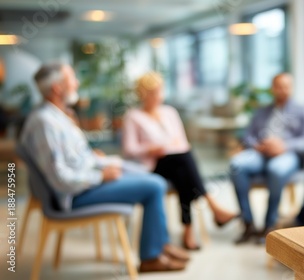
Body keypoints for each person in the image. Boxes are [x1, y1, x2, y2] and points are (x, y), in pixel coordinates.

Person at [20, 63, 189, 273]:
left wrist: (99, 160)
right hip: (76, 194)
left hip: (86, 181)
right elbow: (61, 179)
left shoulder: (58, 116)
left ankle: (160, 244)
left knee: (143, 174)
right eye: (72, 78)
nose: (77, 83)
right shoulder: (45, 123)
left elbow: (72, 159)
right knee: (154, 185)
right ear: (57, 88)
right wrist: (100, 176)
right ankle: (151, 256)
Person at [122, 72, 238, 250]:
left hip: (176, 163)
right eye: (151, 93)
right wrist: (150, 149)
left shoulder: (169, 112)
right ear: (142, 94)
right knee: (184, 161)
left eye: (158, 91)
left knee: (183, 170)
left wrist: (172, 147)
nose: (156, 96)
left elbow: (182, 143)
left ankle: (189, 230)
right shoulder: (133, 116)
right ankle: (211, 208)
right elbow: (128, 150)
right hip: (153, 166)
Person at [230, 73, 304, 244]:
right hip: (260, 152)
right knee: (236, 164)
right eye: (279, 86)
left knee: (275, 170)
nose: (282, 90)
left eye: (286, 86)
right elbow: (248, 136)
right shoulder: (262, 111)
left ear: (291, 87)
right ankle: (248, 222)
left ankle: (270, 224)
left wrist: (284, 145)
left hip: (287, 154)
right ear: (273, 88)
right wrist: (257, 145)